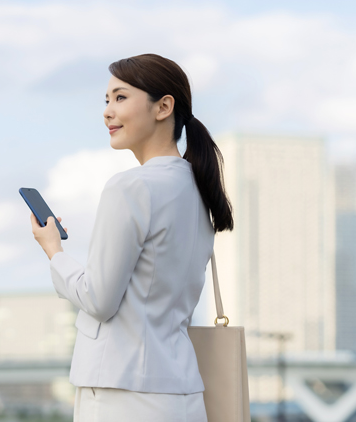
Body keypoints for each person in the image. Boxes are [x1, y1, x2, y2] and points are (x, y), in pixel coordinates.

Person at [30, 53, 233, 422]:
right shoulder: (198, 190)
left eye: (120, 98)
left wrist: (54, 251)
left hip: (122, 395)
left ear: (163, 107)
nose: (108, 112)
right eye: (106, 100)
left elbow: (98, 298)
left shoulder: (131, 187)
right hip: (182, 395)